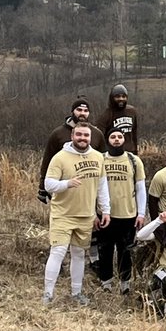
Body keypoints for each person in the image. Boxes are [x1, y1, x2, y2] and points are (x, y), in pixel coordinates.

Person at [42, 121, 111, 306]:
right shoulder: (60, 158)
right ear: (72, 136)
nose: (82, 138)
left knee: (79, 253)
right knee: (58, 251)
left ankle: (76, 292)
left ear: (91, 138)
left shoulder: (98, 157)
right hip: (63, 214)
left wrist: (106, 210)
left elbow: (102, 185)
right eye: (79, 135)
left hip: (86, 215)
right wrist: (67, 184)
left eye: (86, 135)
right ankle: (48, 294)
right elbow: (48, 184)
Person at [98, 124, 147, 294]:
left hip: (128, 215)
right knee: (105, 249)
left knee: (125, 251)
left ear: (124, 140)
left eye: (119, 137)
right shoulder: (100, 159)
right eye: (113, 137)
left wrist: (141, 213)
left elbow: (141, 188)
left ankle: (125, 283)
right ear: (108, 140)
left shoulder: (134, 160)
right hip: (106, 215)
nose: (116, 140)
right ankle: (106, 282)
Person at [38, 97, 104, 203]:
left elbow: (103, 162)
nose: (82, 113)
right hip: (64, 190)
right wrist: (42, 187)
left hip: (89, 190)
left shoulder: (97, 134)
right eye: (79, 110)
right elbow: (47, 160)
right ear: (72, 111)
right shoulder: (58, 134)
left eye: (86, 111)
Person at [97, 83, 137, 152]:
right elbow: (99, 137)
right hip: (113, 153)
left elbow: (134, 132)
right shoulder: (106, 115)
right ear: (112, 98)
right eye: (117, 96)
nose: (121, 99)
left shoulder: (131, 111)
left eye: (124, 96)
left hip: (130, 152)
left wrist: (135, 150)